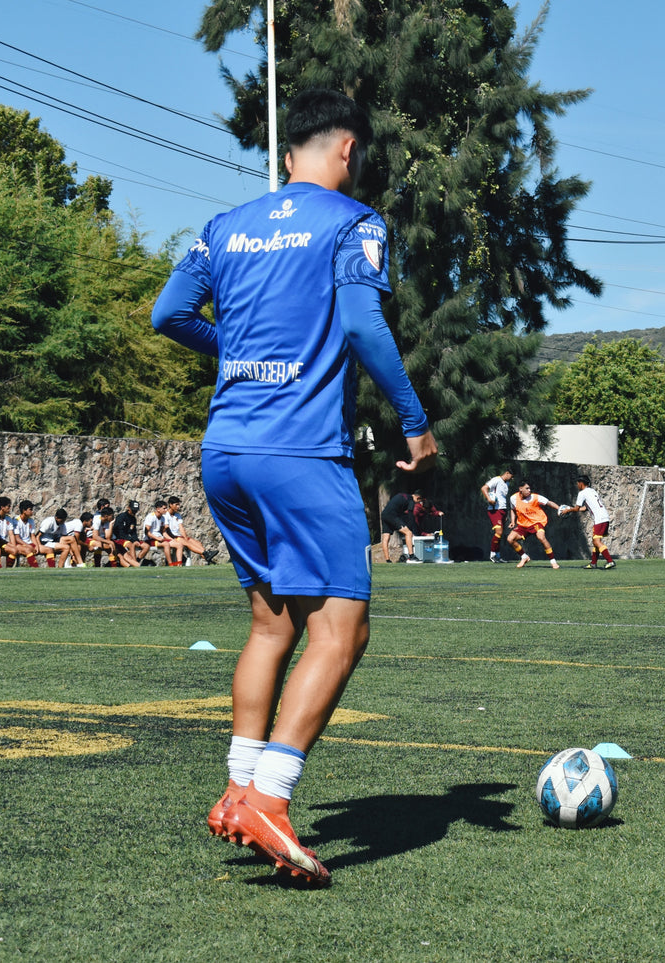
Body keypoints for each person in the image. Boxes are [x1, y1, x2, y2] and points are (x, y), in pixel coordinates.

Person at [152, 88, 436, 886]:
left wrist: (232, 351)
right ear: (348, 151)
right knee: (342, 629)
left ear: (288, 155)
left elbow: (167, 314)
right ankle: (270, 797)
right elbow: (362, 327)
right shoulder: (354, 222)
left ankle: (240, 786)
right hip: (302, 452)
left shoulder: (223, 226)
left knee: (270, 623)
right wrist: (413, 420)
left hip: (226, 450)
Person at [561, 475, 615, 569]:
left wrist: (567, 510)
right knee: (596, 542)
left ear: (581, 483)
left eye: (578, 483)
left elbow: (577, 508)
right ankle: (593, 563)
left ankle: (610, 561)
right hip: (604, 517)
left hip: (599, 519)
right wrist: (572, 509)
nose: (577, 485)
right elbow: (586, 508)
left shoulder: (582, 493)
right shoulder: (592, 491)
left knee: (597, 541)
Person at [507, 481, 562, 569]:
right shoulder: (513, 498)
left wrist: (559, 508)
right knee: (510, 539)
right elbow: (513, 509)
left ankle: (553, 562)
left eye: (529, 488)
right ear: (520, 489)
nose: (529, 490)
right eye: (527, 488)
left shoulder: (535, 497)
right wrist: (513, 521)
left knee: (541, 537)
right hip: (523, 525)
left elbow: (549, 502)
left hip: (536, 522)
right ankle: (524, 557)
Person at [165, 495, 218, 565]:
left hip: (178, 536)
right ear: (170, 505)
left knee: (198, 543)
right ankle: (205, 553)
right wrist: (178, 539)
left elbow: (181, 528)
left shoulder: (177, 515)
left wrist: (185, 538)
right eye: (176, 505)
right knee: (187, 543)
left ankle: (208, 559)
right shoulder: (165, 515)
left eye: (179, 505)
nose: (178, 507)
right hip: (171, 537)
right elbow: (166, 530)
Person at [379, 491, 421, 563]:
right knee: (408, 533)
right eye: (419, 501)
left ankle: (388, 560)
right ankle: (411, 556)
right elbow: (410, 515)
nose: (418, 503)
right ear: (418, 498)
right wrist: (411, 529)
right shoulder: (411, 500)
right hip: (392, 515)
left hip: (384, 514)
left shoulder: (403, 495)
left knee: (386, 537)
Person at [482, 470, 514, 562]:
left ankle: (498, 555)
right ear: (507, 473)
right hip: (494, 510)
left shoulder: (506, 483)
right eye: (512, 476)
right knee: (498, 532)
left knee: (500, 534)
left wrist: (505, 512)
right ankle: (493, 554)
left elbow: (502, 498)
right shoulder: (496, 480)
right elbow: (484, 488)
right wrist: (489, 499)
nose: (512, 478)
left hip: (502, 510)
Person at [110, 500, 148, 567]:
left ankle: (136, 561)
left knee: (146, 546)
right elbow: (120, 533)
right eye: (133, 510)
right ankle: (135, 564)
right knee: (131, 545)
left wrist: (136, 540)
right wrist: (132, 540)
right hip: (119, 538)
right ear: (128, 508)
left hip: (129, 538)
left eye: (136, 510)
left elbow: (133, 532)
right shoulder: (121, 517)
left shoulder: (133, 518)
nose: (134, 512)